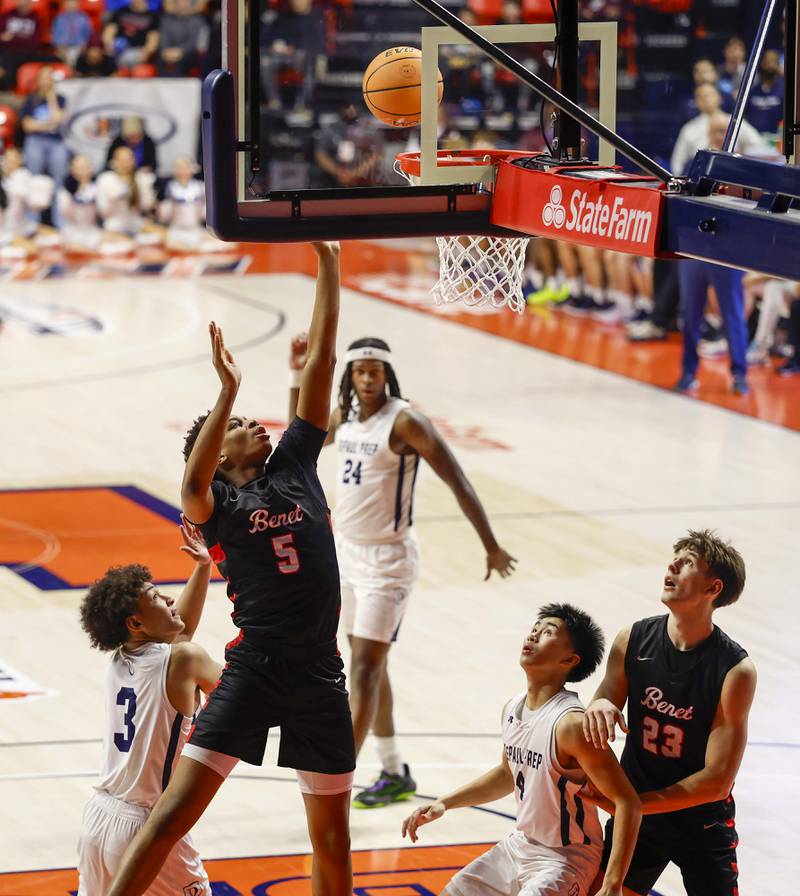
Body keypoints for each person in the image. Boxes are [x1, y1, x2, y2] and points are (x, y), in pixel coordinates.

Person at [106, 241, 354, 896]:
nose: (257, 425)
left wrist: (328, 265)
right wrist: (228, 392)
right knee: (167, 819)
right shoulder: (216, 504)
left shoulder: (296, 466)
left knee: (333, 838)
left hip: (321, 673)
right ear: (220, 455)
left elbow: (325, 361)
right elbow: (191, 479)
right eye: (242, 425)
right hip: (255, 670)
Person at [288, 334, 517, 808]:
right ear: (350, 375)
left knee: (366, 671)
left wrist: (490, 544)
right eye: (360, 371)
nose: (368, 378)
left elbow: (457, 478)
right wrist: (297, 374)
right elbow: (300, 435)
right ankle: (394, 771)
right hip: (346, 555)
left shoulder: (406, 421)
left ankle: (337, 776)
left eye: (375, 371)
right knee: (367, 665)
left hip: (388, 562)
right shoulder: (344, 417)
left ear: (387, 374)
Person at [401, 603, 642, 896]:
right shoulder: (513, 708)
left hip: (566, 859)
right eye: (534, 630)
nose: (533, 636)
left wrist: (613, 883)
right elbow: (507, 774)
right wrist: (444, 803)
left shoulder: (571, 725)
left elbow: (628, 803)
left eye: (548, 633)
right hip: (519, 846)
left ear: (570, 659)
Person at [582, 529, 756, 896]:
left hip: (700, 822)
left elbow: (717, 781)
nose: (672, 564)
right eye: (674, 557)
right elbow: (605, 699)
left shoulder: (734, 670)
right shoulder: (633, 638)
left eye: (688, 562)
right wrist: (599, 705)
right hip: (638, 816)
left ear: (713, 589)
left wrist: (632, 805)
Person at [77, 517, 220, 896]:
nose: (170, 599)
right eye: (158, 597)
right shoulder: (183, 660)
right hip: (148, 824)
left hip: (98, 819)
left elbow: (180, 634)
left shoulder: (120, 658)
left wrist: (203, 566)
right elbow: (242, 697)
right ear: (136, 622)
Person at [670, 83, 765, 176]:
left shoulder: (735, 122)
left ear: (719, 98)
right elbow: (677, 164)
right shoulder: (689, 129)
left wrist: (741, 154)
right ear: (696, 102)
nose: (707, 99)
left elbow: (758, 146)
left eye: (710, 95)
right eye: (702, 97)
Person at [20, 65, 71, 227]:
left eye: (50, 77)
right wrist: (48, 124)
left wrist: (51, 97)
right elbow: (27, 126)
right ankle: (31, 223)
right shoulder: (31, 99)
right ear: (38, 80)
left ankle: (60, 223)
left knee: (59, 182)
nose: (47, 80)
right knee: (33, 181)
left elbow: (58, 118)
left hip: (57, 142)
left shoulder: (61, 99)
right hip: (35, 141)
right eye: (44, 77)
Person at [157, 0, 209, 77]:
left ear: (190, 4)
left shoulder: (198, 20)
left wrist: (180, 51)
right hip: (168, 52)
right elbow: (163, 38)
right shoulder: (166, 20)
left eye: (185, 2)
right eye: (180, 2)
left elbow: (194, 42)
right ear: (176, 4)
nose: (182, 5)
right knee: (159, 61)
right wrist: (165, 51)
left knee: (182, 64)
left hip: (188, 54)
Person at [103, 0, 160, 70]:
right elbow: (110, 29)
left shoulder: (152, 15)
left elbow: (153, 36)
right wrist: (109, 44)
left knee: (133, 61)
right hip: (119, 48)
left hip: (138, 51)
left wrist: (147, 51)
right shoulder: (121, 11)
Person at [52, 0, 94, 68]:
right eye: (68, 2)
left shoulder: (84, 18)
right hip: (63, 48)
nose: (71, 5)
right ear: (64, 4)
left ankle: (75, 73)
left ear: (78, 4)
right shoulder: (59, 19)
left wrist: (85, 46)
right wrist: (60, 47)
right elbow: (55, 36)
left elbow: (89, 35)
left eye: (73, 2)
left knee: (77, 56)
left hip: (79, 48)